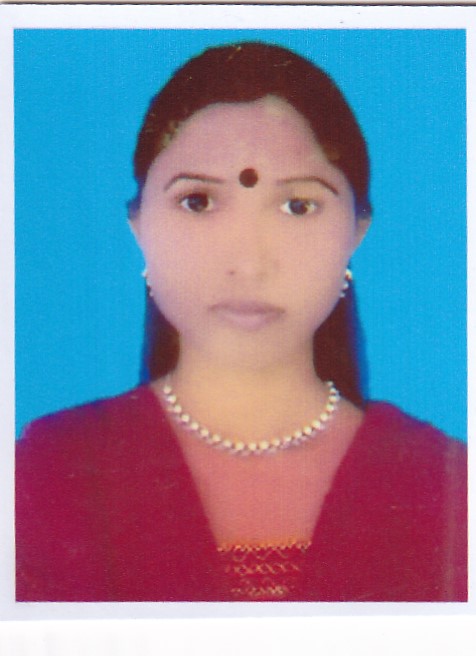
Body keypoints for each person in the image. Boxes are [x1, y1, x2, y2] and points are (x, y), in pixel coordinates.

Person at [15, 42, 467, 603]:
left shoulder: (443, 486)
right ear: (138, 225)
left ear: (358, 230)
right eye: (198, 202)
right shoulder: (48, 474)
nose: (249, 264)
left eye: (298, 206)